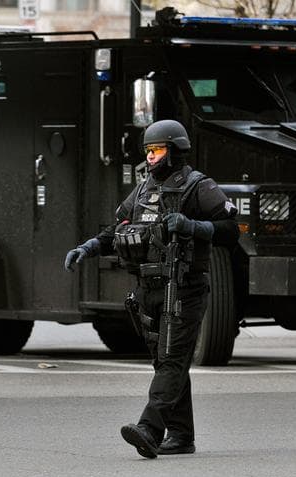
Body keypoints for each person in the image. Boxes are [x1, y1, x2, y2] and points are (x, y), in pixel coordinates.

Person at [64, 120, 238, 458]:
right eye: (148, 150)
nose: (151, 156)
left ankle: (149, 428)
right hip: (149, 288)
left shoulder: (197, 185)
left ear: (174, 151)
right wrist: (88, 248)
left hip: (184, 287)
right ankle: (182, 436)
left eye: (157, 150)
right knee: (167, 362)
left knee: (172, 359)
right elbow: (117, 229)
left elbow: (232, 229)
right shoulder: (143, 190)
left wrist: (193, 226)